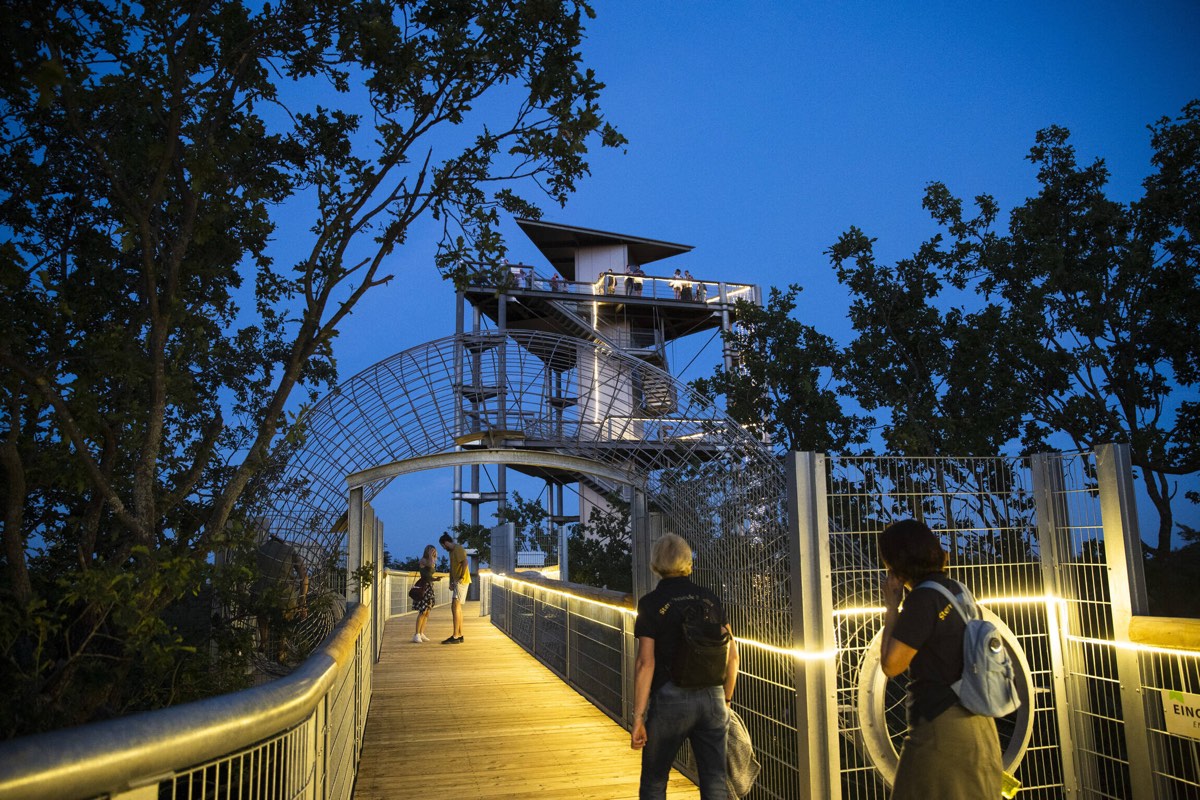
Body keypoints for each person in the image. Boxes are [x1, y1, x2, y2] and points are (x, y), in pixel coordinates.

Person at [878, 519, 1002, 799]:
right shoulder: (957, 590)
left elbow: (891, 665)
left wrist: (892, 606)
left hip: (943, 730)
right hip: (979, 723)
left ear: (896, 565)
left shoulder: (923, 600)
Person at [631, 534, 739, 799]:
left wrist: (638, 718)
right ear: (687, 561)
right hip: (713, 697)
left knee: (655, 781)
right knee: (715, 781)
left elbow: (646, 663)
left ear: (656, 563)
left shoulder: (650, 604)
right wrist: (725, 699)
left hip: (670, 700)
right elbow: (733, 655)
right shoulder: (710, 599)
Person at [254, 534, 309, 658]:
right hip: (285, 596)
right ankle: (281, 649)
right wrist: (302, 601)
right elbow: (304, 577)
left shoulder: (259, 550)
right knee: (285, 621)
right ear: (282, 542)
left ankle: (263, 641)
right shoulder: (290, 551)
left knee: (261, 615)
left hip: (262, 593)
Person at [439, 532, 471, 644]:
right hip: (457, 581)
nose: (443, 548)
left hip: (462, 581)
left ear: (446, 542)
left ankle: (456, 635)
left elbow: (465, 562)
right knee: (457, 607)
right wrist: (451, 581)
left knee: (455, 606)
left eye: (443, 546)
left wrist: (461, 577)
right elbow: (452, 568)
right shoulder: (452, 552)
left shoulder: (458, 549)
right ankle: (460, 634)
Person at [411, 544, 440, 643]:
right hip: (423, 587)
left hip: (429, 587)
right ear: (427, 551)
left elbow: (429, 575)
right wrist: (431, 556)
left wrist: (435, 579)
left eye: (434, 551)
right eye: (432, 551)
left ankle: (422, 633)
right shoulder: (423, 560)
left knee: (427, 612)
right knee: (422, 611)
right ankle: (416, 634)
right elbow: (431, 565)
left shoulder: (430, 560)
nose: (434, 553)